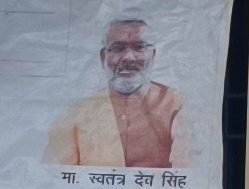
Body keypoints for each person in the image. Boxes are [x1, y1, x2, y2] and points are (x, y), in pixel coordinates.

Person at [47, 17, 195, 170]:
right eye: (118, 48)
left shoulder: (177, 106)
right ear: (103, 57)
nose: (128, 57)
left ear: (152, 54)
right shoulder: (77, 115)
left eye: (139, 47)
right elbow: (52, 175)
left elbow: (189, 174)